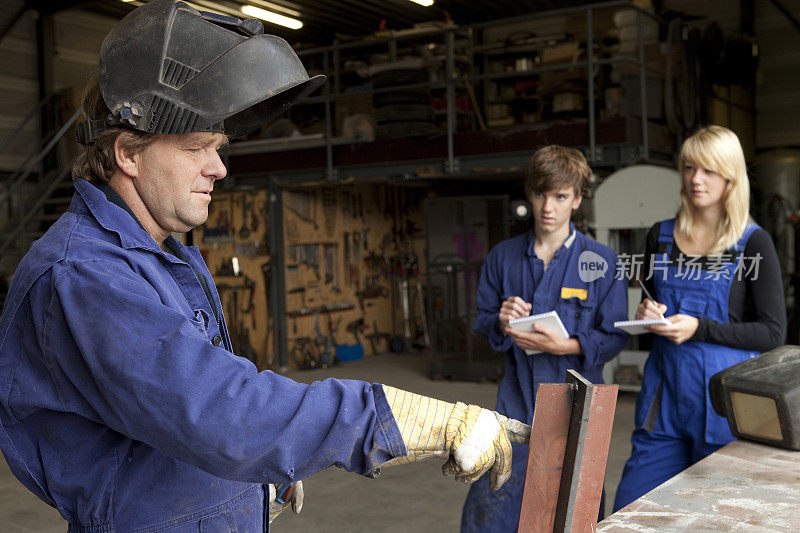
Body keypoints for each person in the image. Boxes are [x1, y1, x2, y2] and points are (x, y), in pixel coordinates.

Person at [0, 1, 531, 531]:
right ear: (128, 154)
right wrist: (403, 418)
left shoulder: (159, 254)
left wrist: (256, 472)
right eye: (197, 147)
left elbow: (177, 405)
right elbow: (217, 411)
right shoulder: (85, 276)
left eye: (219, 147)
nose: (219, 167)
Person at [613, 125, 786, 511]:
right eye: (689, 167)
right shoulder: (659, 237)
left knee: (718, 515)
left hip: (725, 407)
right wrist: (646, 314)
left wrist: (699, 327)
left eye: (708, 170)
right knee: (631, 508)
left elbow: (773, 333)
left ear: (730, 176)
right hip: (665, 404)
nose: (695, 179)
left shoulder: (753, 243)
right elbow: (652, 307)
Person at [460, 146, 629, 531]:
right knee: (489, 515)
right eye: (539, 194)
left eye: (560, 196)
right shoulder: (503, 258)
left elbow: (615, 335)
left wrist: (566, 347)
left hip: (579, 412)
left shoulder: (602, 262)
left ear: (578, 199)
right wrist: (502, 322)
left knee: (577, 516)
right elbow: (483, 323)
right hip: (515, 408)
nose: (547, 207)